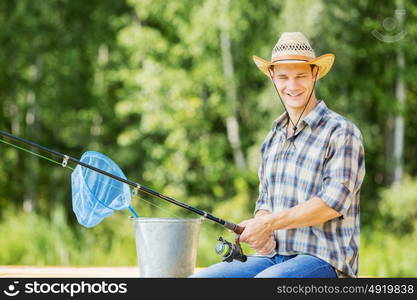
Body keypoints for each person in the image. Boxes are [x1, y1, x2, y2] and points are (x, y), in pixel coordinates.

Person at [191, 32, 366, 278]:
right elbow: (265, 203)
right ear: (272, 77)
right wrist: (260, 231)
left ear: (315, 74)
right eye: (283, 77)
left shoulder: (341, 132)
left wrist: (269, 223)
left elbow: (331, 204)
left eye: (301, 76)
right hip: (272, 258)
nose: (292, 86)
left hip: (326, 261)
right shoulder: (272, 139)